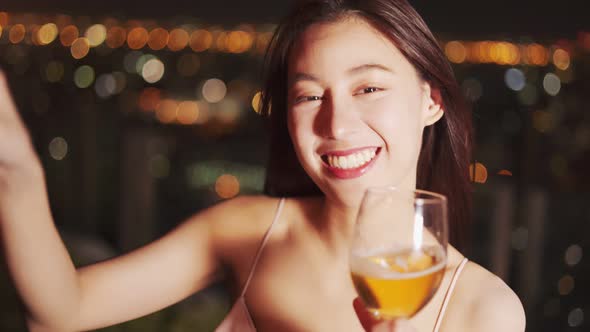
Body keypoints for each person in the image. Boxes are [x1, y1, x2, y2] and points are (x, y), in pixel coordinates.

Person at [0, 0, 526, 331]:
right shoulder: (247, 230)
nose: (337, 125)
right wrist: (17, 172)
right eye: (308, 97)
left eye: (368, 88)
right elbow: (60, 311)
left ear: (431, 100)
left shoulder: (485, 311)